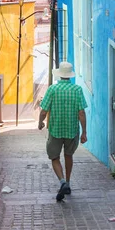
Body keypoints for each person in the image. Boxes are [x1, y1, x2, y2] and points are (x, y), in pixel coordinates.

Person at [38, 62, 87, 201]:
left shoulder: (52, 89)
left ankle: (62, 181)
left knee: (54, 157)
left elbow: (44, 110)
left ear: (59, 74)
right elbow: (82, 113)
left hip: (55, 130)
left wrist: (40, 122)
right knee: (68, 155)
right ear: (70, 75)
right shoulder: (77, 90)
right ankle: (68, 182)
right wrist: (84, 132)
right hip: (72, 130)